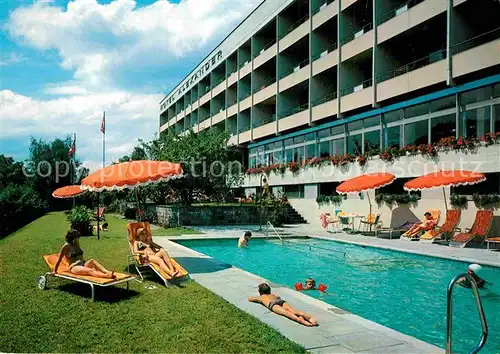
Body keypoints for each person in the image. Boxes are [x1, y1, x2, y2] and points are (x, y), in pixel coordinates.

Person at [248, 283, 318, 327]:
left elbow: (250, 299)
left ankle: (302, 321)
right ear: (269, 290)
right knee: (294, 311)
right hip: (280, 301)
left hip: (272, 304)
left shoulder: (261, 297)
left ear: (260, 292)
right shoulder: (272, 295)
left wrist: (257, 298)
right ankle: (310, 318)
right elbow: (278, 297)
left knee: (286, 313)